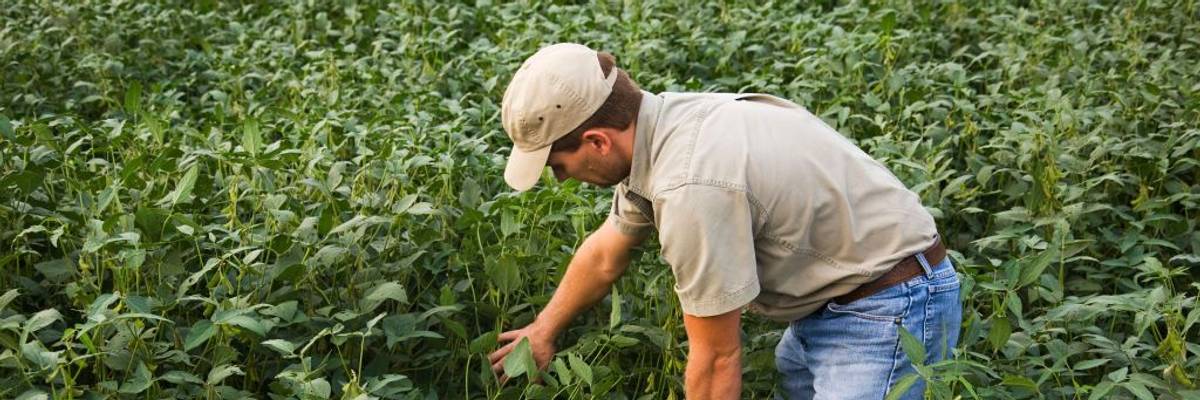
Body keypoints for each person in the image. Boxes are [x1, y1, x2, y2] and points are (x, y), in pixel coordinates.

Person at [487, 42, 963, 399]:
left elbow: (716, 358)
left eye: (558, 166)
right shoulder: (662, 127)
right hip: (830, 301)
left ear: (598, 142)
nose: (564, 181)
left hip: (888, 306)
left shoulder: (690, 185)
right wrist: (544, 329)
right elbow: (607, 253)